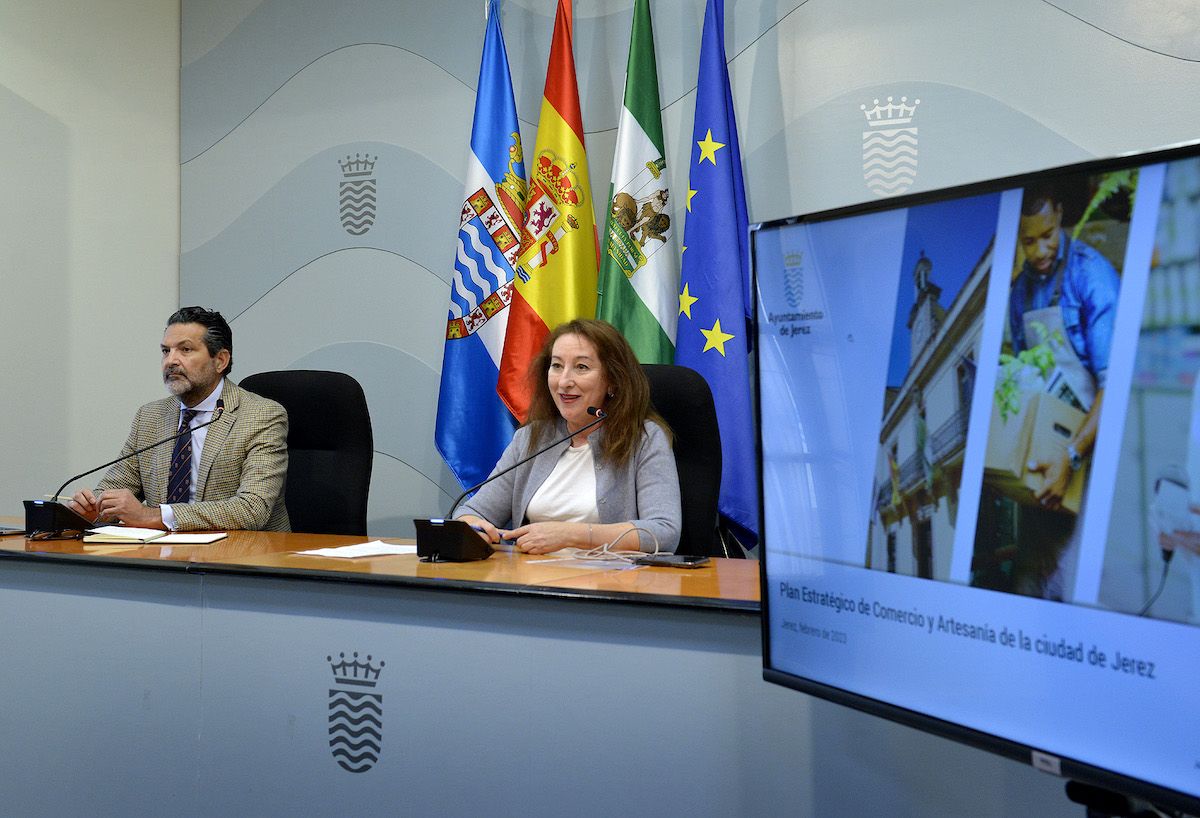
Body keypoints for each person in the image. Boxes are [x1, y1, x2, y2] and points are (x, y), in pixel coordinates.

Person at [455, 318, 681, 554]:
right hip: (531, 582)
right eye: (557, 366)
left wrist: (570, 535)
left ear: (612, 381)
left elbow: (664, 532)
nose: (564, 382)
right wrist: (473, 526)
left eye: (581, 367)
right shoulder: (532, 438)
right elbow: (472, 513)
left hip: (611, 584)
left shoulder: (643, 438)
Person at [68, 306, 290, 532]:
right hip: (162, 555)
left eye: (185, 350)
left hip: (242, 557)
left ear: (220, 360)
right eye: (166, 351)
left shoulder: (261, 416)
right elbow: (115, 487)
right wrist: (95, 509)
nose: (170, 361)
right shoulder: (150, 417)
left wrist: (150, 515)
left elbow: (251, 509)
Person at [1006, 185, 1121, 599]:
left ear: (1059, 212)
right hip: (1042, 471)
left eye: (1049, 234)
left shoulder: (1092, 276)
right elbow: (1025, 381)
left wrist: (1071, 455)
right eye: (1028, 241)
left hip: (1089, 463)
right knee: (1032, 590)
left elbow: (1117, 386)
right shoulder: (1018, 294)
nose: (1040, 251)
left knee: (1081, 593)